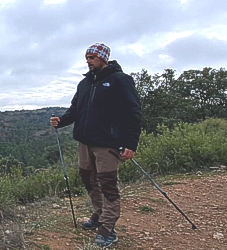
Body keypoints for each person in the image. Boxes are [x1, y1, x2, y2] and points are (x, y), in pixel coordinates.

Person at [49, 43, 142, 248]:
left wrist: (130, 143)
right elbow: (75, 109)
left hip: (108, 144)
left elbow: (134, 113)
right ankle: (100, 214)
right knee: (88, 178)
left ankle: (108, 229)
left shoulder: (120, 80)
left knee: (107, 184)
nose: (88, 61)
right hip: (85, 142)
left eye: (91, 57)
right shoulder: (84, 83)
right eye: (87, 57)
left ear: (103, 58)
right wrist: (61, 121)